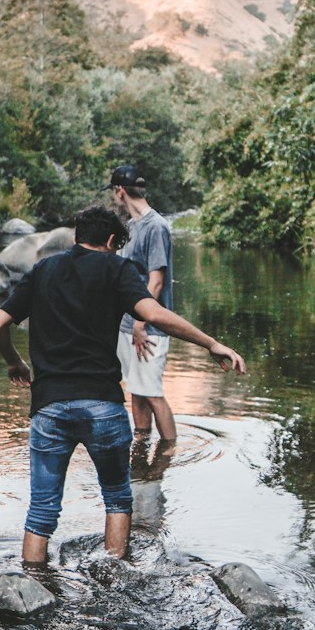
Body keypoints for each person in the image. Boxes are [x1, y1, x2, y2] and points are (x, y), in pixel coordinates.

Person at [0, 205, 245, 564]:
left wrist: (15, 362)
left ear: (77, 236)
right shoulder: (117, 267)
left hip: (47, 406)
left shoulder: (43, 269)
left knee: (42, 511)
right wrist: (211, 343)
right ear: (111, 240)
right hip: (102, 406)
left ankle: (32, 586)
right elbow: (154, 314)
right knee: (117, 499)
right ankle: (113, 580)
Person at [109, 163, 177, 443]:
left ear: (120, 191)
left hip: (149, 326)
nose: (114, 200)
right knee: (137, 389)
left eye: (113, 194)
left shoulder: (156, 226)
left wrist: (140, 323)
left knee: (152, 392)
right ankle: (141, 444)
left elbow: (156, 281)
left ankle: (169, 453)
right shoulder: (130, 227)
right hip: (129, 325)